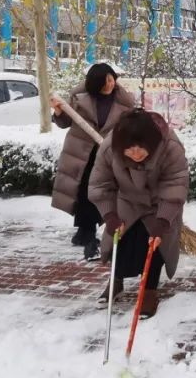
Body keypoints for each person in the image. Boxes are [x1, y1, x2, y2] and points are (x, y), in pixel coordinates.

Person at [88, 108, 188, 318]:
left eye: (140, 147)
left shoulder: (170, 147)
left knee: (154, 246)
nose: (135, 153)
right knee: (120, 241)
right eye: (129, 148)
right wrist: (110, 216)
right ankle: (115, 282)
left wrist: (163, 222)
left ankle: (149, 290)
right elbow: (100, 184)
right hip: (127, 200)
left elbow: (175, 184)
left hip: (158, 204)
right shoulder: (110, 147)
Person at [50, 63, 135, 259]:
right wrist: (58, 112)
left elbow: (131, 126)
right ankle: (85, 230)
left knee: (104, 190)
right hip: (82, 153)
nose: (109, 85)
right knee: (84, 191)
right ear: (94, 83)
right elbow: (64, 123)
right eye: (104, 82)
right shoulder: (79, 98)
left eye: (111, 80)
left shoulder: (124, 101)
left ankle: (95, 228)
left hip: (107, 154)